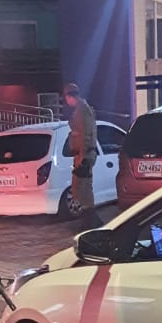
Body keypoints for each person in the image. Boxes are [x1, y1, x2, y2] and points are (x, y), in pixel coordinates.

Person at [62, 81, 101, 226]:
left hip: (84, 155)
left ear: (70, 96)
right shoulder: (81, 109)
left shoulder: (82, 110)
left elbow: (85, 134)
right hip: (83, 154)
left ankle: (90, 222)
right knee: (83, 188)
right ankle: (90, 221)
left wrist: (83, 156)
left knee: (81, 188)